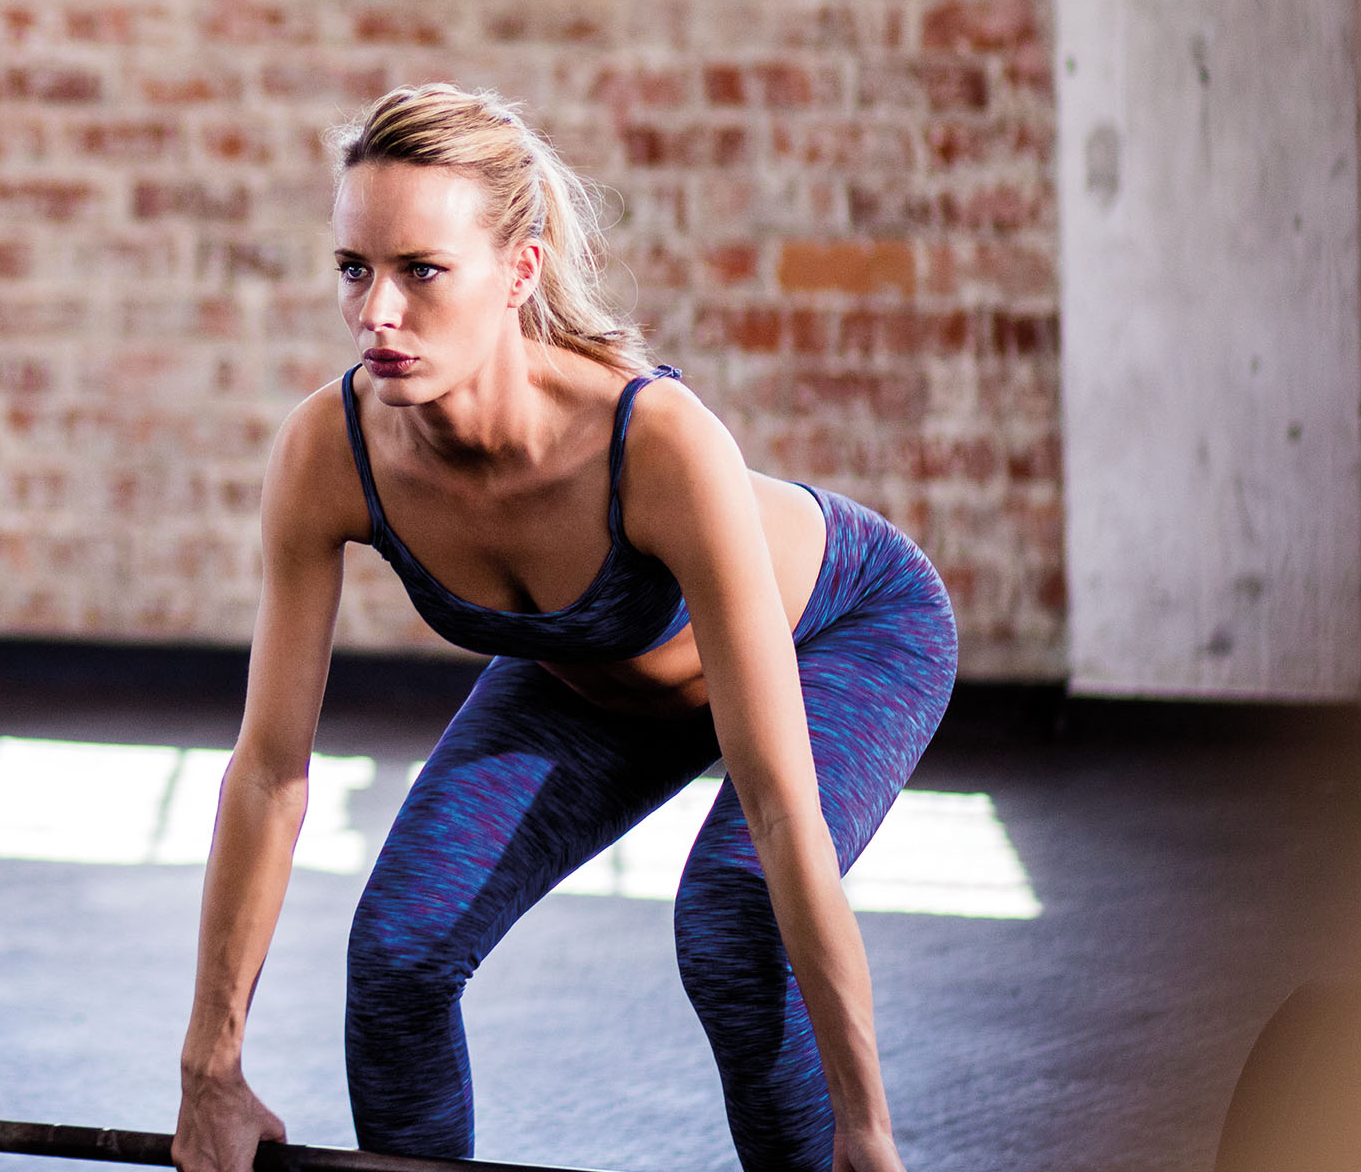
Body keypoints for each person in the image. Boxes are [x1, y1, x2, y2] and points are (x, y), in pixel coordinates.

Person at [171, 87, 953, 1172]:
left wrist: (866, 1131)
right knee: (398, 957)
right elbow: (268, 774)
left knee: (731, 915)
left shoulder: (656, 440)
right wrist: (210, 1069)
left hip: (845, 632)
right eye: (354, 267)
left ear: (520, 272)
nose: (375, 314)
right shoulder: (330, 450)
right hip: (594, 676)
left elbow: (781, 811)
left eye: (421, 271)